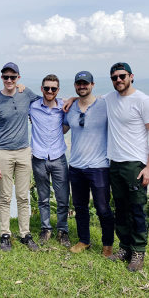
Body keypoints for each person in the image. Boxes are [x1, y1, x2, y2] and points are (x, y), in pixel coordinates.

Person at [0, 62, 39, 251]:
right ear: (1, 78)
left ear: (18, 78)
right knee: (6, 196)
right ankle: (5, 234)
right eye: (6, 77)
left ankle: (25, 234)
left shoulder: (26, 94)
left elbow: (47, 100)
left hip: (24, 151)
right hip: (3, 153)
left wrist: (72, 99)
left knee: (23, 196)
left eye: (13, 77)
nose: (9, 80)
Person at [63, 71, 114, 257]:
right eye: (79, 84)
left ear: (92, 84)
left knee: (102, 208)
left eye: (85, 84)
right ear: (75, 85)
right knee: (80, 206)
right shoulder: (71, 108)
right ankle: (84, 240)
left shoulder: (105, 105)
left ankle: (107, 244)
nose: (82, 87)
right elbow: (62, 129)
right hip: (75, 165)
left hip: (99, 166)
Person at [105, 63, 149, 271]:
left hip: (135, 164)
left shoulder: (142, 100)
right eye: (114, 77)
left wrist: (148, 167)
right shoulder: (110, 98)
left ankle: (139, 251)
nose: (118, 80)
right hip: (115, 163)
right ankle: (125, 248)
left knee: (138, 209)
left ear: (131, 76)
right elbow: (88, 99)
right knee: (121, 208)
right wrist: (71, 99)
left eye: (122, 76)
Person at [29, 74, 71, 247]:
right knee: (43, 197)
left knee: (63, 198)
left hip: (58, 156)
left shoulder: (64, 106)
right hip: (39, 157)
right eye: (47, 88)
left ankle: (63, 230)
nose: (50, 91)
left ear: (58, 90)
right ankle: (46, 229)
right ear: (41, 89)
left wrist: (74, 97)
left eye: (53, 88)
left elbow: (65, 128)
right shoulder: (32, 107)